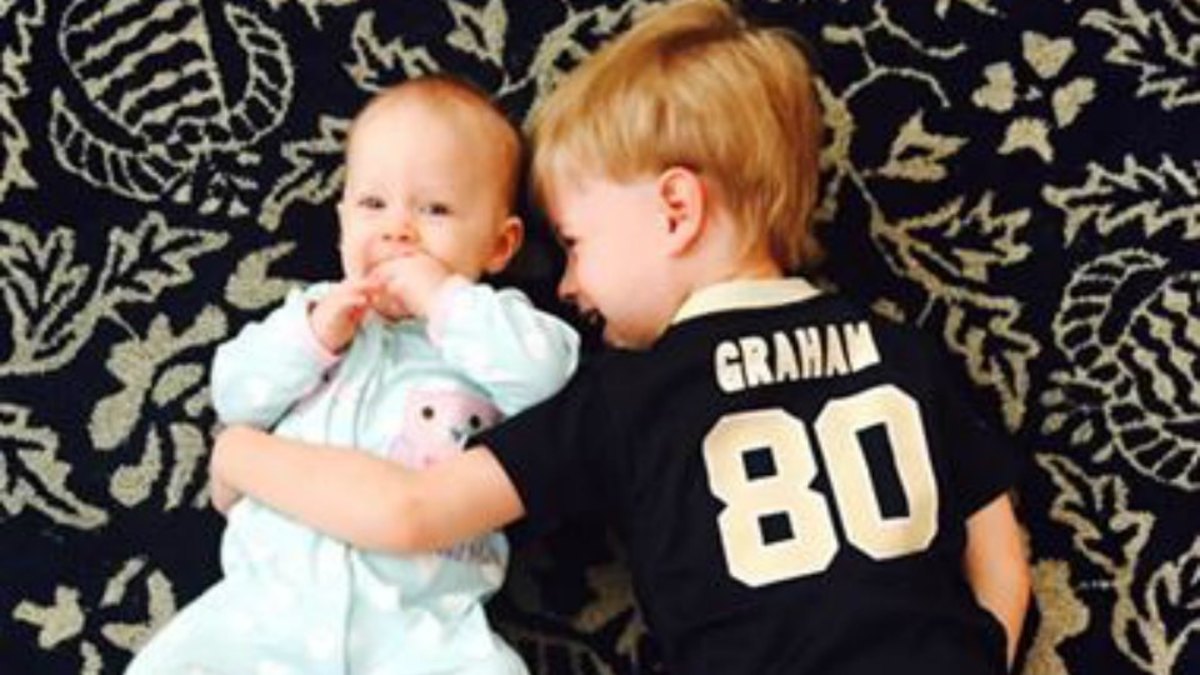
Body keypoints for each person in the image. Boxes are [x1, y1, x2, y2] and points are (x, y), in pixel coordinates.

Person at [208, 1, 1032, 673]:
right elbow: (1000, 555)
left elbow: (414, 511)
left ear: (676, 210)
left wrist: (242, 453)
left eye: (574, 243)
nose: (567, 286)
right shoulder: (900, 349)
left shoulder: (627, 392)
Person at [127, 75, 580, 675]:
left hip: (421, 629)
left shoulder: (490, 328)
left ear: (501, 244)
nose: (398, 230)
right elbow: (234, 395)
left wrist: (442, 299)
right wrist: (313, 337)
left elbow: (548, 381)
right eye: (372, 205)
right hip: (265, 614)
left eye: (435, 209)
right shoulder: (312, 315)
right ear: (342, 220)